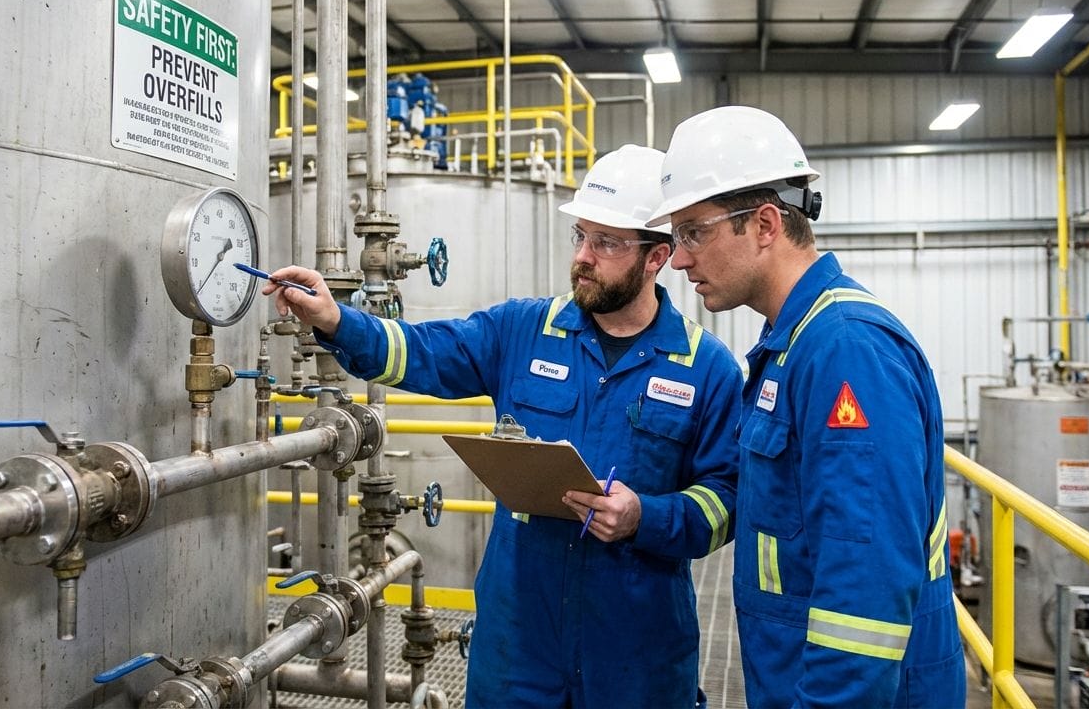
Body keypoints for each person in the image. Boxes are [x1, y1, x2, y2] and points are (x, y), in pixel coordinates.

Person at [262, 144, 744, 709]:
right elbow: (420, 351)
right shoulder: (522, 329)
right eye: (581, 237)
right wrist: (336, 320)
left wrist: (647, 517)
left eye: (607, 243)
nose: (584, 256)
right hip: (519, 645)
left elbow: (727, 501)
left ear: (657, 257)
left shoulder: (705, 367)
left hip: (638, 651)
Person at [647, 105, 966, 708]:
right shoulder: (792, 345)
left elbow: (864, 594)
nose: (680, 258)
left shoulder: (845, 350)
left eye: (693, 232)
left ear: (764, 225)